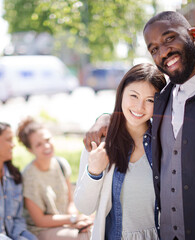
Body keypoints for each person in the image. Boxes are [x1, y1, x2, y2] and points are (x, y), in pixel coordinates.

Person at [83, 11, 195, 240]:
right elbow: (133, 112)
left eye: (169, 38)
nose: (163, 52)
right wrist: (104, 118)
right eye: (154, 49)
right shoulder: (162, 99)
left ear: (193, 34)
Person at [74, 63, 167, 240]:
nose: (140, 107)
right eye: (134, 96)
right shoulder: (99, 143)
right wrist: (94, 171)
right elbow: (85, 207)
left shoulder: (165, 143)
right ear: (121, 93)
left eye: (150, 100)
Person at [16, 117, 92, 240]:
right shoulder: (29, 176)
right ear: (30, 150)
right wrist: (73, 219)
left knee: (97, 229)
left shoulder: (61, 164)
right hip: (42, 230)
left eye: (47, 139)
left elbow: (70, 201)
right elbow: (39, 221)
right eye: (39, 144)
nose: (46, 146)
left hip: (66, 224)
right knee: (86, 236)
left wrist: (75, 220)